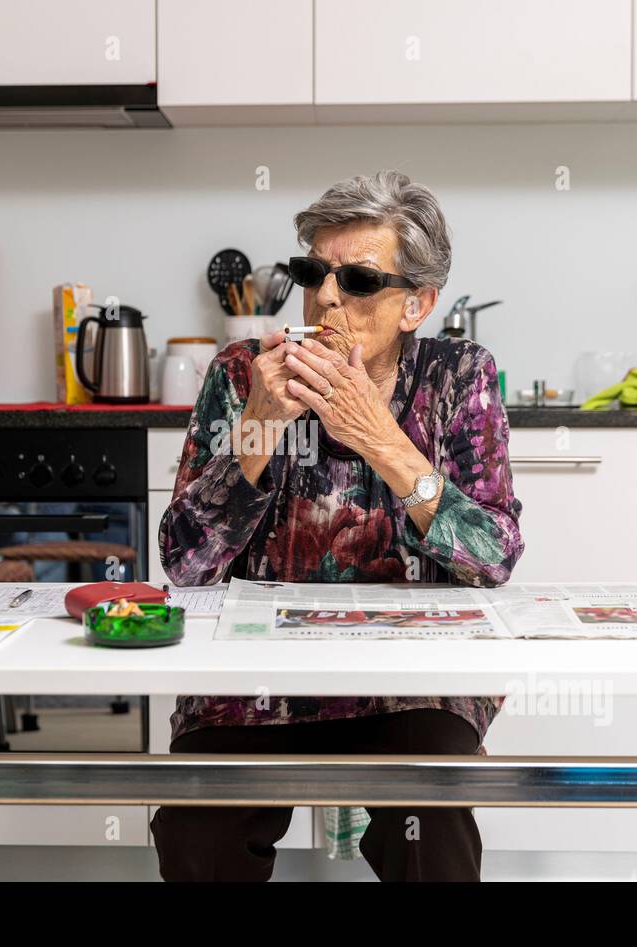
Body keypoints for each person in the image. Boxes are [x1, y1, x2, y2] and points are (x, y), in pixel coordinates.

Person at [150, 170, 524, 881]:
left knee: (430, 828)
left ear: (417, 304)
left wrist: (381, 439)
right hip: (255, 677)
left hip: (413, 680)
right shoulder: (243, 374)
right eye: (312, 272)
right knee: (199, 830)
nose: (325, 297)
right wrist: (259, 425)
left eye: (357, 280)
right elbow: (185, 563)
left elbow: (493, 556)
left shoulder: (458, 377)